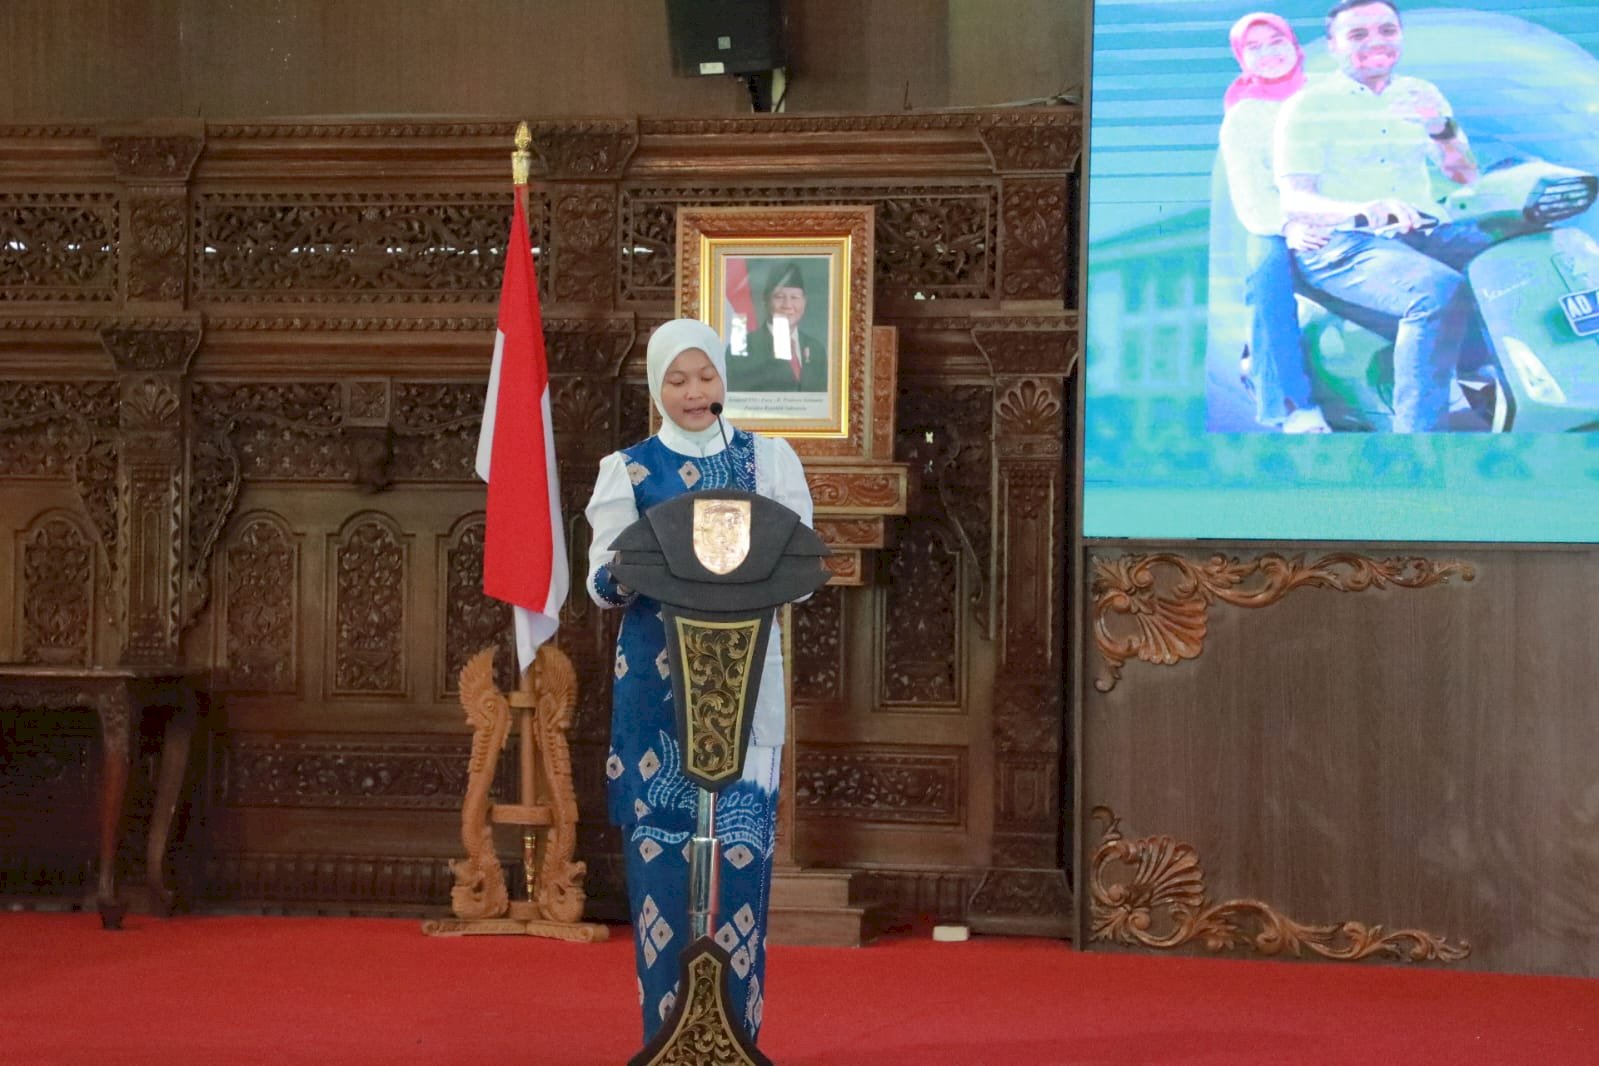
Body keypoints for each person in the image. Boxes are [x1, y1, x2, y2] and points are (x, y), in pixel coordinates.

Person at [583, 317, 814, 1045]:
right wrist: (632, 568)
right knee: (660, 871)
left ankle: (735, 1040)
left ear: (723, 379)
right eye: (677, 379)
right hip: (655, 695)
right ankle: (664, 1039)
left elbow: (802, 572)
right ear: (657, 386)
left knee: (740, 872)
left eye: (705, 376)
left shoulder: (768, 460)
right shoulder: (627, 469)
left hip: (740, 691)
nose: (693, 391)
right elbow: (601, 584)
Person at [1274, 0, 1490, 432]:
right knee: (1436, 291)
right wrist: (1363, 209)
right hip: (1342, 244)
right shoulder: (1308, 106)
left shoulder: (1421, 93)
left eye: (1387, 31)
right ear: (1333, 46)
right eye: (1358, 35)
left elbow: (1465, 175)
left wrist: (1440, 128)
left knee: (1524, 254)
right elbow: (1296, 199)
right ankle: (1417, 442)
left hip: (1424, 231)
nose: (1376, 42)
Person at [1218, 11, 1332, 433]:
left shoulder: (1326, 95)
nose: (1268, 53)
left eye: (1276, 41)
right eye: (1254, 47)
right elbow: (1251, 193)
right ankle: (1293, 405)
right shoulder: (1243, 115)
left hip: (1339, 206)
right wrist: (1289, 225)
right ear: (1241, 58)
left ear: (1294, 44)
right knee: (1267, 277)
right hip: (1275, 218)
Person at [729, 261, 829, 392]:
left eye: (794, 297)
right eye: (779, 297)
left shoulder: (816, 349)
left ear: (804, 302)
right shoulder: (744, 348)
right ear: (766, 300)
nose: (787, 305)